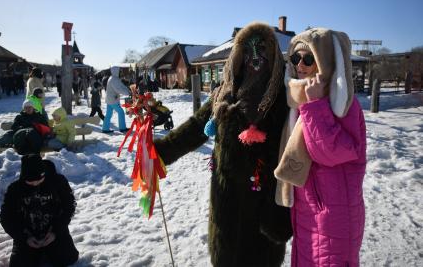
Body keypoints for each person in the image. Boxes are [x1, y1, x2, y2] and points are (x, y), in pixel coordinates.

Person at [154, 23, 292, 266]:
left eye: (261, 49)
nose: (255, 57)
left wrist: (281, 210)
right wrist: (161, 152)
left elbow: (294, 154)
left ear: (272, 55)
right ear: (238, 54)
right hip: (226, 205)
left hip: (264, 207)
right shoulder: (224, 94)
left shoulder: (284, 98)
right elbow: (198, 126)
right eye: (248, 50)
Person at [274, 28, 366, 266]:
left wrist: (314, 105)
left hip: (333, 214)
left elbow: (331, 152)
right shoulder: (300, 98)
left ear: (324, 61)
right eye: (295, 58)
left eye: (308, 58)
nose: (300, 65)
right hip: (310, 209)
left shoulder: (342, 102)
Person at [0, 154, 79, 266]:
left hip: (53, 230)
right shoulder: (15, 189)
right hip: (28, 234)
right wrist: (24, 238)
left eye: (39, 179)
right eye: (30, 181)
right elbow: (6, 218)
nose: (35, 183)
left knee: (68, 259)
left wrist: (56, 232)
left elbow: (69, 206)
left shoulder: (58, 182)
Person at [102, 66, 130, 133]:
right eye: (119, 71)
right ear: (116, 71)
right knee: (121, 112)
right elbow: (119, 89)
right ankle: (122, 128)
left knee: (108, 114)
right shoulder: (114, 79)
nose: (120, 72)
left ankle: (105, 128)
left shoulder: (113, 78)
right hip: (113, 100)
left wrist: (128, 90)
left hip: (110, 99)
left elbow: (121, 86)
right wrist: (128, 92)